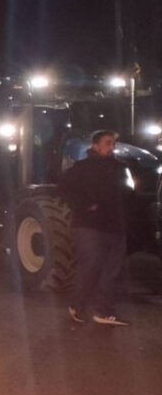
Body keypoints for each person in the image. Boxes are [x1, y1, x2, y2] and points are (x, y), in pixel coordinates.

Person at [59, 130, 131, 326]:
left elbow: (126, 193)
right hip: (89, 225)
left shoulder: (119, 168)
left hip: (115, 226)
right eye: (107, 143)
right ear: (95, 145)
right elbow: (64, 190)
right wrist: (85, 205)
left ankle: (103, 311)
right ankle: (76, 305)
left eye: (113, 143)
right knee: (91, 265)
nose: (112, 147)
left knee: (111, 270)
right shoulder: (81, 168)